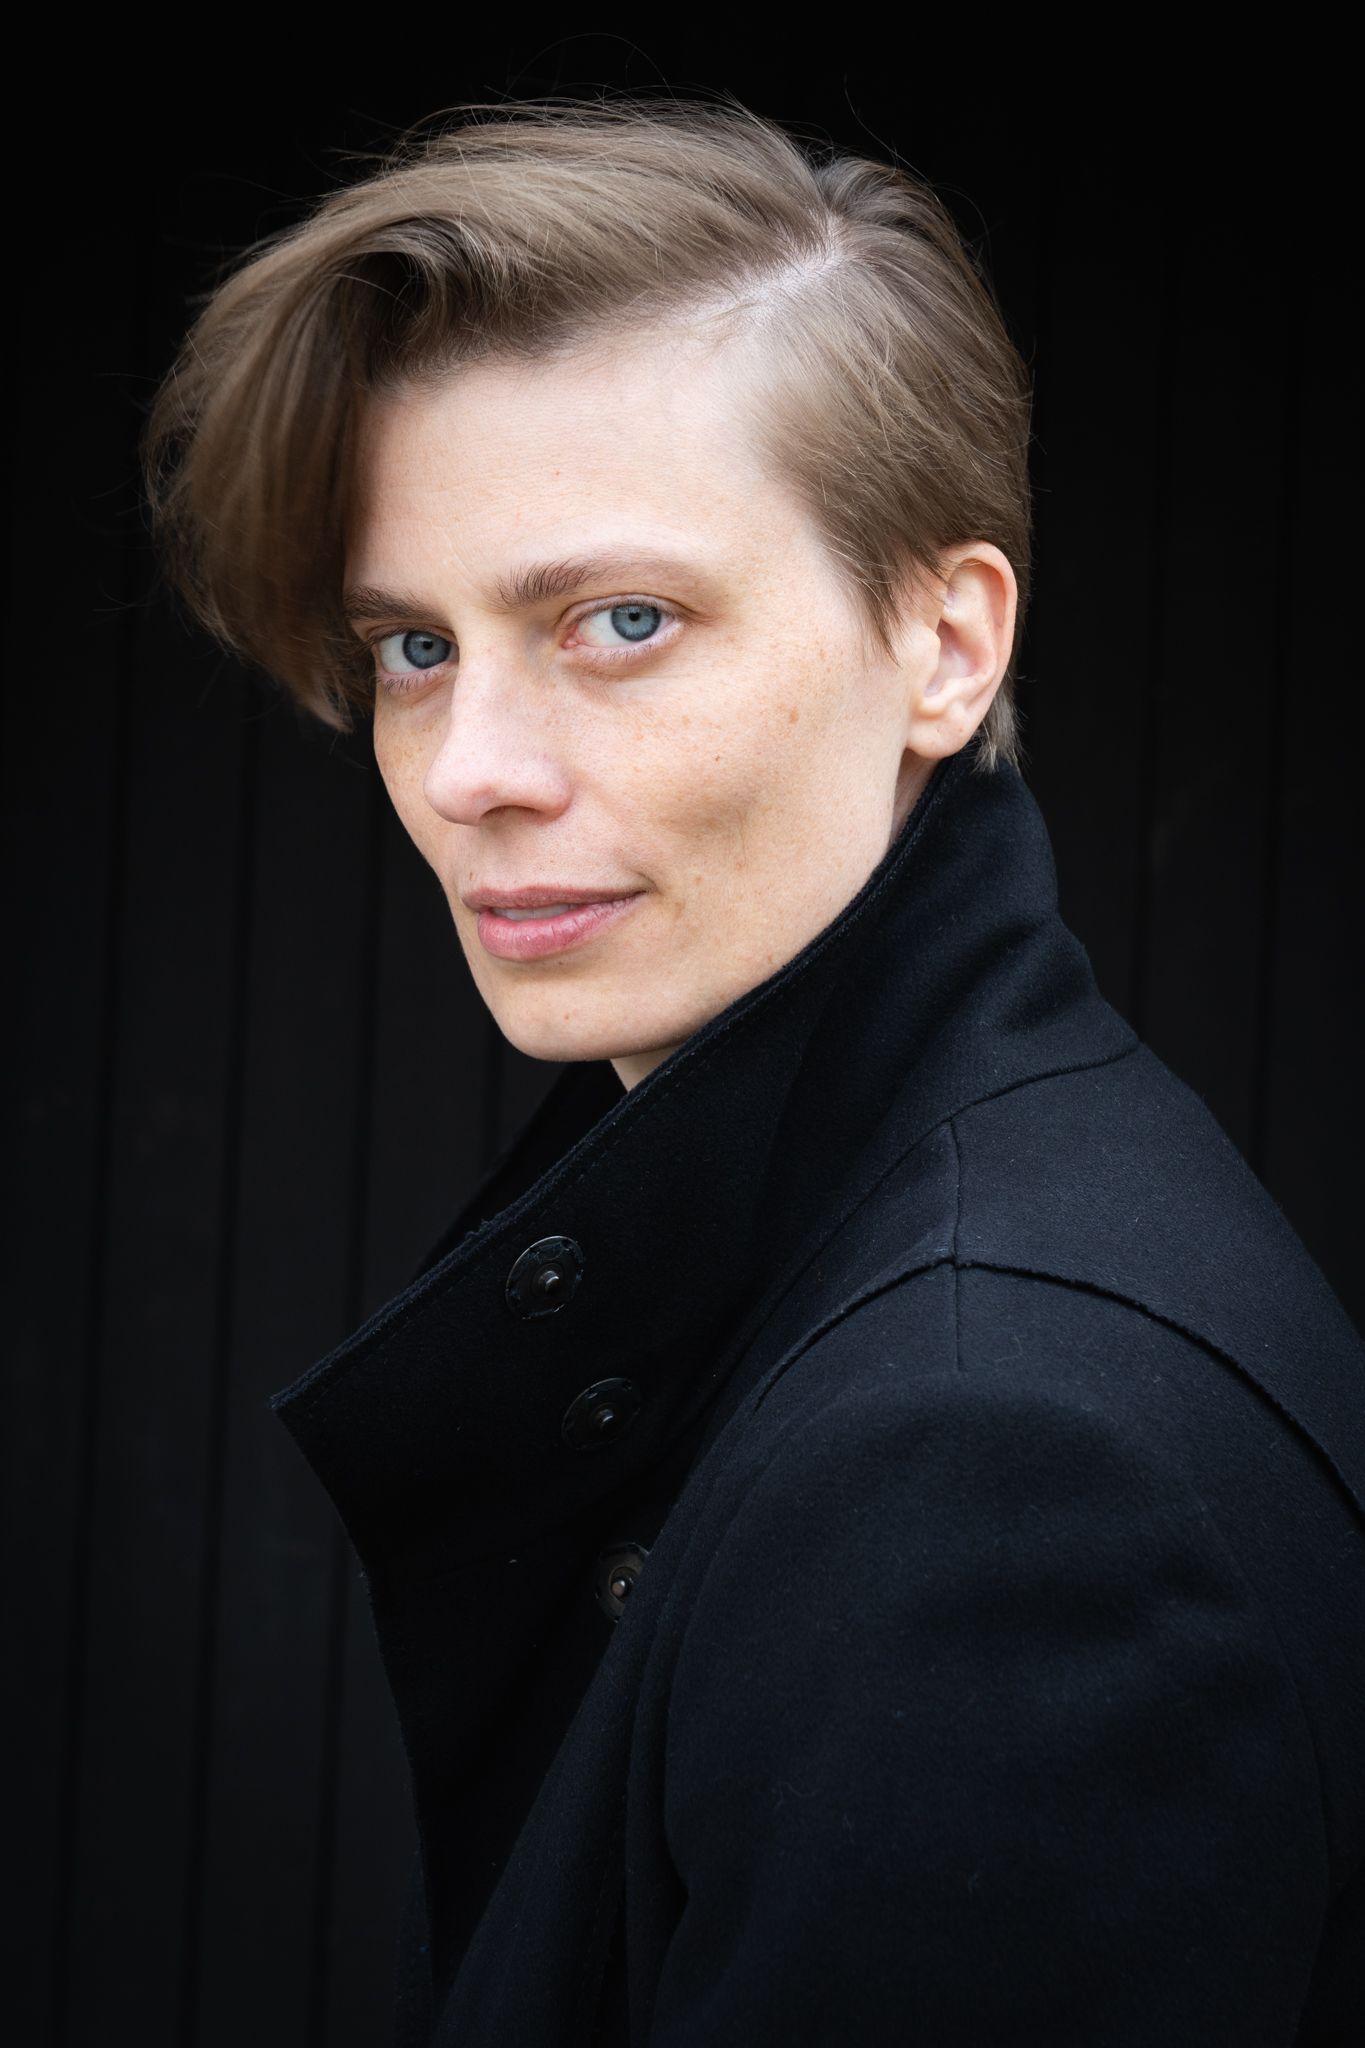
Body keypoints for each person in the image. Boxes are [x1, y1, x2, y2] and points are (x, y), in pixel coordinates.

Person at [143, 98, 1365, 2047]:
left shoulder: (994, 1475)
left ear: (943, 642)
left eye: (619, 622)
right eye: (412, 647)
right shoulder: (940, 1257)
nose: (468, 771)